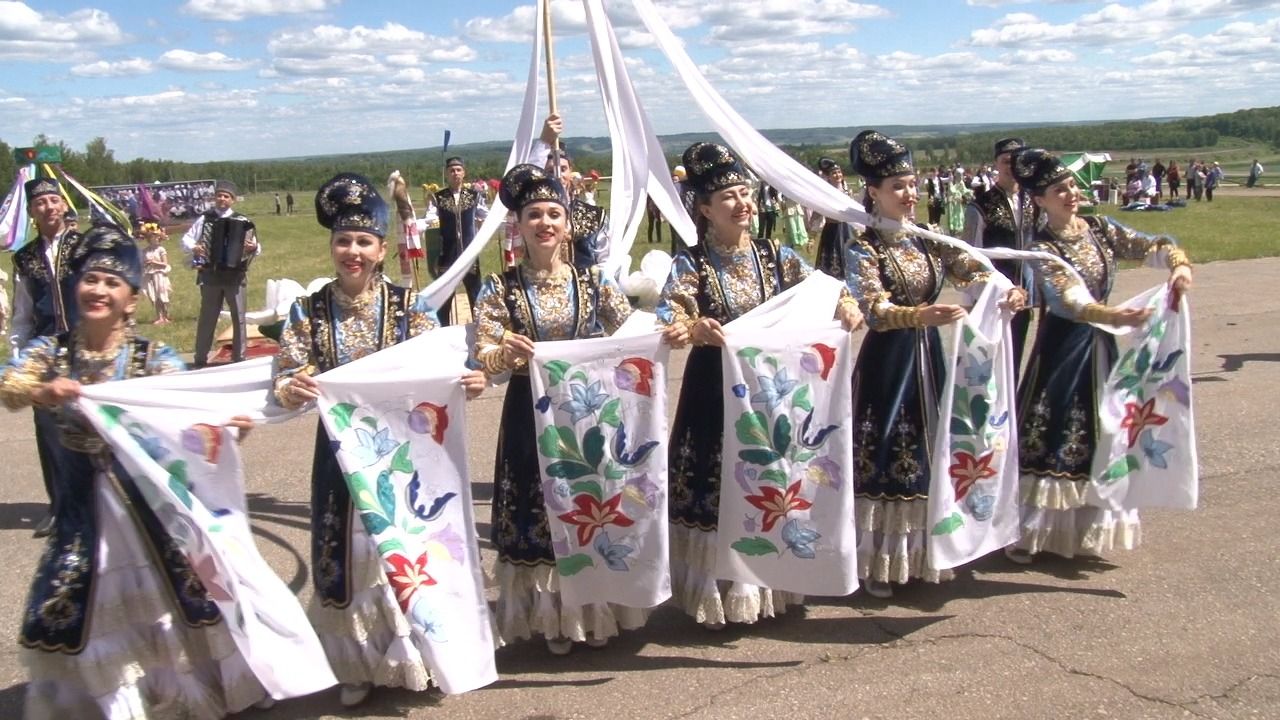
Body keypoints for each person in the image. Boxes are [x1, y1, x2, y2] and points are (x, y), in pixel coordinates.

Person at [2, 224, 268, 718]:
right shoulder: (52, 353)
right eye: (89, 279)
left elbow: (190, 417)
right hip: (83, 515)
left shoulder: (151, 359)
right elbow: (8, 383)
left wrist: (227, 431)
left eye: (111, 282)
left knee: (175, 604)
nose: (98, 290)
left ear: (132, 298)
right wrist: (44, 391)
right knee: (70, 604)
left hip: (148, 513)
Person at [272, 173, 485, 707]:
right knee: (344, 550)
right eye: (343, 241)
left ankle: (416, 653)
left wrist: (472, 378)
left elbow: (442, 367)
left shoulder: (409, 306)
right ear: (332, 247)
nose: (352, 251)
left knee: (409, 545)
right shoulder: (309, 310)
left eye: (363, 241)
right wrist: (292, 384)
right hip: (337, 455)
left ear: (382, 249)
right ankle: (356, 662)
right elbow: (284, 376)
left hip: (401, 453)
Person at [658, 142, 862, 627]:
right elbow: (672, 311)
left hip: (772, 393)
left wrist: (847, 307)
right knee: (719, 484)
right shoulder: (692, 263)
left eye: (745, 192)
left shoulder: (776, 254)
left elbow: (826, 289)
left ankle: (773, 584)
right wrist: (694, 326)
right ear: (705, 209)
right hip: (714, 391)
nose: (742, 203)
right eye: (728, 196)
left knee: (770, 480)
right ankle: (717, 594)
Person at [844, 130, 1025, 598]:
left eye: (911, 183)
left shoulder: (928, 239)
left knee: (930, 448)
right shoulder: (865, 247)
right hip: (889, 361)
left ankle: (926, 555)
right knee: (888, 450)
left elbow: (975, 267)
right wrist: (919, 315)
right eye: (898, 187)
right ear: (874, 193)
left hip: (929, 357)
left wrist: (1005, 288)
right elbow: (873, 309)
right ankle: (879, 562)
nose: (909, 194)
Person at [472, 164, 640, 654]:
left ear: (568, 223)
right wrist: (508, 353)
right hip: (528, 413)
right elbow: (483, 354)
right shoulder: (498, 289)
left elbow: (629, 333)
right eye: (533, 215)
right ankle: (553, 618)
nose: (544, 223)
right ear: (517, 226)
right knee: (539, 508)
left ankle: (593, 607)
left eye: (553, 214)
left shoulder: (593, 282)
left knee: (588, 504)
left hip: (586, 412)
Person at [1007, 149, 1192, 564]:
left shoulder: (1100, 229)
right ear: (1040, 200)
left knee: (1104, 426)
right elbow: (1067, 299)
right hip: (1062, 350)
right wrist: (1113, 314)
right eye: (1060, 190)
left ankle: (1086, 525)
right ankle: (1031, 531)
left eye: (1072, 186)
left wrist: (1178, 265)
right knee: (1054, 429)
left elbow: (1151, 245)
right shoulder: (1042, 248)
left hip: (1102, 346)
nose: (1071, 194)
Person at [10, 178, 83, 538]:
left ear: (65, 206)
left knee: (94, 424)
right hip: (45, 349)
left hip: (87, 346)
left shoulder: (85, 246)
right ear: (32, 212)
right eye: (41, 203)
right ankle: (59, 507)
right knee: (49, 430)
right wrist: (19, 354)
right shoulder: (23, 258)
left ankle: (103, 502)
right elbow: (22, 311)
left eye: (55, 200)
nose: (49, 207)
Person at [962, 137, 1035, 373]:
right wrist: (972, 299)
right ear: (996, 164)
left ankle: (1011, 408)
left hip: (1024, 298)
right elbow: (971, 254)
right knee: (989, 364)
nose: (1012, 166)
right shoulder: (980, 206)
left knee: (1014, 361)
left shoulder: (1033, 201)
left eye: (1017, 161)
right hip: (992, 297)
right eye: (1006, 161)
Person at [181, 180, 259, 367]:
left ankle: (239, 358)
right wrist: (196, 247)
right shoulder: (205, 219)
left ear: (233, 200)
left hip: (235, 276)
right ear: (215, 198)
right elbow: (186, 239)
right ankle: (200, 358)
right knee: (208, 316)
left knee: (238, 317)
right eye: (219, 195)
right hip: (211, 274)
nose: (222, 199)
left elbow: (256, 247)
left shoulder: (243, 222)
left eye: (226, 196)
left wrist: (252, 247)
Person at [531, 113, 609, 271]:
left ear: (570, 171)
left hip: (583, 292)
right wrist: (544, 142)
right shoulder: (533, 216)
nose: (557, 175)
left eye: (563, 169)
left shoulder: (592, 215)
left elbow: (605, 260)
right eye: (550, 170)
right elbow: (528, 177)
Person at [433, 157, 481, 325]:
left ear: (464, 172)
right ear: (447, 173)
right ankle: (444, 332)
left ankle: (480, 330)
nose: (455, 173)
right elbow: (429, 220)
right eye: (452, 170)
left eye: (458, 170)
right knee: (444, 299)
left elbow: (486, 216)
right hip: (448, 255)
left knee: (475, 295)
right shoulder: (438, 198)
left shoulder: (474, 196)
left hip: (469, 255)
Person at [815, 157, 856, 279]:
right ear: (828, 176)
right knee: (832, 259)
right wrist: (812, 235)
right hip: (832, 230)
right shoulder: (826, 193)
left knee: (848, 255)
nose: (838, 175)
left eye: (839, 172)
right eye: (834, 173)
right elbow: (818, 211)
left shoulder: (847, 191)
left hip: (846, 228)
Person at [140, 222, 172, 325]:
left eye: (157, 237)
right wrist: (145, 265)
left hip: (160, 274)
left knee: (162, 295)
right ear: (149, 238)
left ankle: (166, 316)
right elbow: (143, 263)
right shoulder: (145, 251)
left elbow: (165, 264)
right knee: (154, 296)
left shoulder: (161, 249)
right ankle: (159, 317)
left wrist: (154, 262)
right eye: (152, 237)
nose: (155, 239)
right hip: (150, 275)